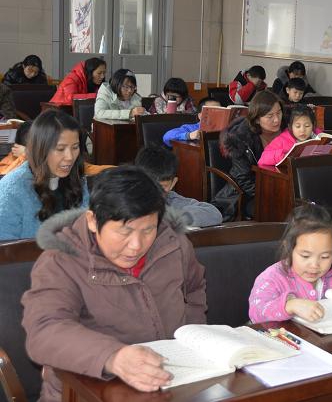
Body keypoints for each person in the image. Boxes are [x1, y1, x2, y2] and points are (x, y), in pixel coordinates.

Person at [21, 166, 207, 400]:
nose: (136, 245)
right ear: (92, 220)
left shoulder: (173, 243)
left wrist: (190, 337)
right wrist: (112, 357)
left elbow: (194, 288)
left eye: (148, 230)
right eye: (124, 232)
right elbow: (44, 330)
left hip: (170, 383)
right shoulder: (60, 260)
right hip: (82, 391)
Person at [0, 111, 88, 240]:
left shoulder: (78, 179)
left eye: (75, 147)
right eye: (60, 149)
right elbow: (5, 248)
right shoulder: (11, 190)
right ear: (40, 149)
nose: (70, 157)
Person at [214, 91, 283, 219]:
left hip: (280, 186)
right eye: (270, 116)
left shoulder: (289, 130)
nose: (276, 120)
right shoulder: (240, 138)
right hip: (250, 193)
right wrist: (268, 196)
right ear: (257, 119)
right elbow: (243, 178)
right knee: (280, 209)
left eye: (279, 113)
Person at [135, 146, 222, 228]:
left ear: (173, 183)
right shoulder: (128, 200)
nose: (155, 191)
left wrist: (172, 218)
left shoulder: (171, 200)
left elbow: (214, 214)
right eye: (149, 185)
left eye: (162, 187)